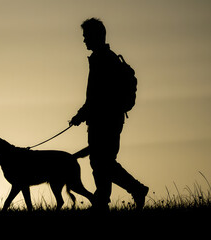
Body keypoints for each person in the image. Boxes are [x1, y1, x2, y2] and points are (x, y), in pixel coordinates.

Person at [70, 18, 148, 212]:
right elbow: (96, 96)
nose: (84, 40)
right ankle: (102, 202)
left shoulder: (103, 60)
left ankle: (135, 189)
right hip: (107, 119)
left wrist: (82, 114)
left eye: (86, 36)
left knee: (102, 163)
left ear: (96, 36)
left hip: (105, 120)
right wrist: (83, 114)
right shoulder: (104, 58)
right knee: (101, 162)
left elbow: (97, 96)